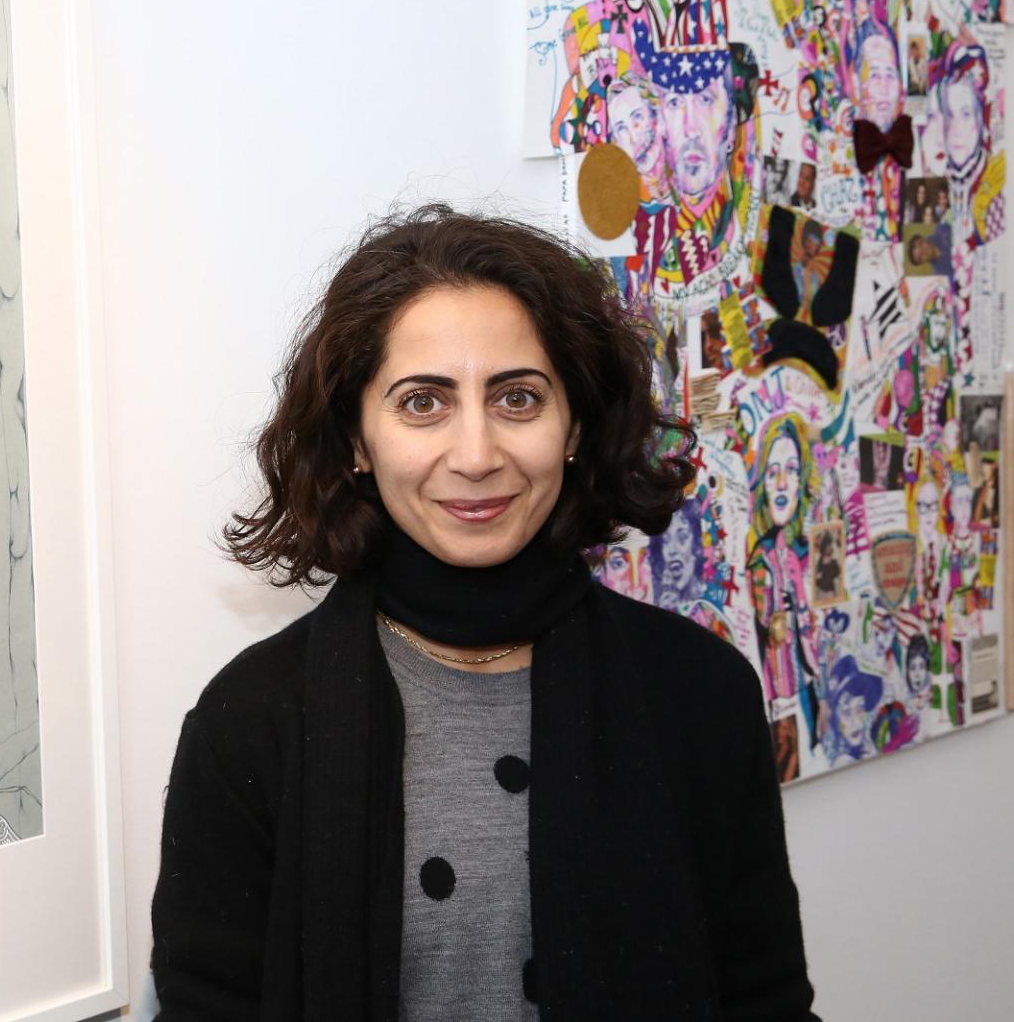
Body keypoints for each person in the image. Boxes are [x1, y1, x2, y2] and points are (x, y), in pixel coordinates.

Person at [151, 206, 817, 1019]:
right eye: (422, 403)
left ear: (574, 424)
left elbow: (765, 1001)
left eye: (518, 398)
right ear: (358, 440)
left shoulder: (700, 693)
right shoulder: (249, 724)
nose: (476, 455)